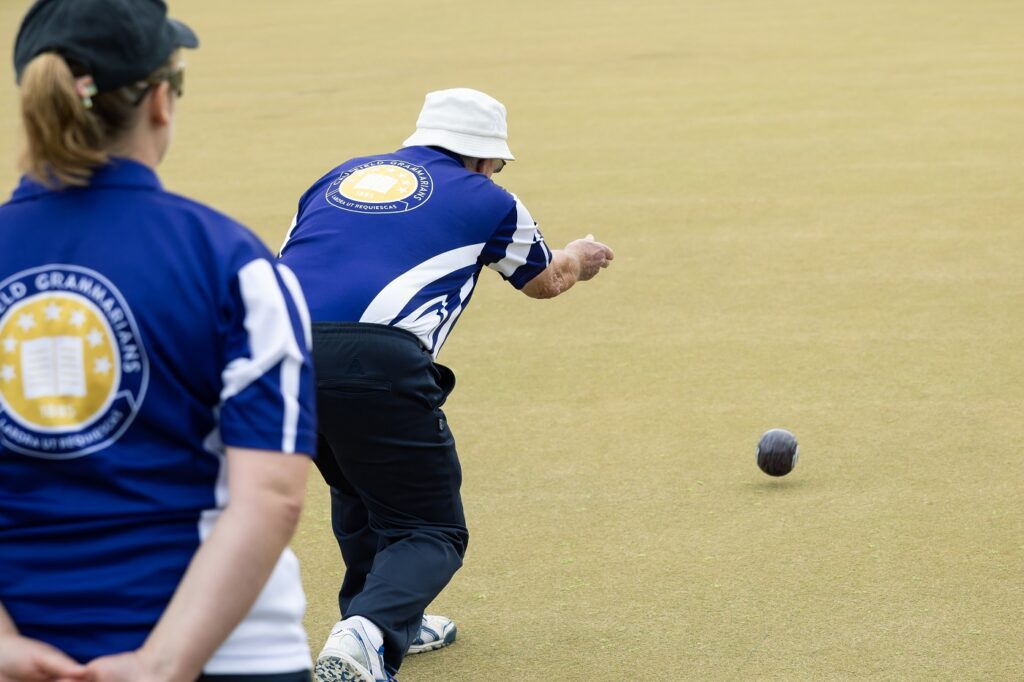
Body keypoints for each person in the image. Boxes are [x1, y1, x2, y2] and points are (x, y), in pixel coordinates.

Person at [0, 1, 317, 681]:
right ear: (161, 102)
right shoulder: (231, 258)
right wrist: (161, 663)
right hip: (228, 655)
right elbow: (272, 495)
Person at [278, 87, 614, 682]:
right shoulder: (489, 198)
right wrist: (580, 257)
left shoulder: (338, 177)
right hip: (376, 358)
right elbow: (546, 279)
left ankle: (381, 619)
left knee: (358, 484)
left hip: (277, 350)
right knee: (432, 530)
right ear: (484, 158)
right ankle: (367, 632)